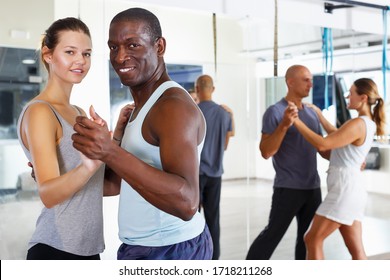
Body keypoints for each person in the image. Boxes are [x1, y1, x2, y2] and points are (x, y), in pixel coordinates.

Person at [71, 7, 213, 260]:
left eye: (132, 45)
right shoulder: (140, 109)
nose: (120, 57)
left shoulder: (172, 107)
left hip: (172, 248)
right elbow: (114, 185)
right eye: (114, 47)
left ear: (159, 46)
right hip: (139, 246)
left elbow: (188, 203)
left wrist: (110, 151)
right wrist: (56, 175)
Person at [17, 17, 105, 260]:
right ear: (48, 55)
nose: (81, 61)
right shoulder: (40, 112)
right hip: (56, 248)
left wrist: (114, 138)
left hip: (88, 248)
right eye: (70, 52)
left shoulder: (77, 113)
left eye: (87, 54)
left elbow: (98, 187)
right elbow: (48, 194)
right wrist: (88, 166)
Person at [293, 78, 385, 259]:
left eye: (351, 93)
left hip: (344, 192)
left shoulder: (358, 123)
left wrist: (295, 121)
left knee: (312, 239)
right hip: (352, 190)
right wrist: (320, 115)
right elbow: (337, 135)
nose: (347, 96)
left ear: (363, 98)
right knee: (356, 250)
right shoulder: (366, 123)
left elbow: (323, 144)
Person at [246, 65, 327, 260]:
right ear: (290, 82)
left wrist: (353, 160)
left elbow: (323, 148)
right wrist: (283, 125)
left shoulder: (312, 113)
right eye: (305, 80)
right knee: (272, 235)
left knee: (308, 239)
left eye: (311, 79)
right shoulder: (275, 111)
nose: (311, 84)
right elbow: (266, 152)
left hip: (312, 188)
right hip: (288, 188)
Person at [195, 74, 235, 260]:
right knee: (213, 219)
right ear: (213, 89)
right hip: (215, 174)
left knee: (192, 219)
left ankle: (194, 257)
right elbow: (226, 145)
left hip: (194, 175)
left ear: (197, 89)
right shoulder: (223, 113)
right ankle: (214, 258)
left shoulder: (193, 111)